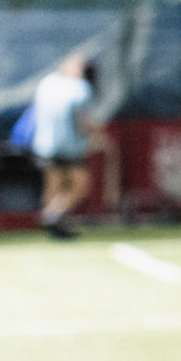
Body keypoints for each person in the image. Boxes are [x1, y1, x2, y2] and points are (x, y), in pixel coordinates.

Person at [30, 53, 106, 240]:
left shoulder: (47, 83)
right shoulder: (79, 89)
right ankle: (53, 216)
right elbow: (81, 120)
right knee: (79, 186)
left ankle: (58, 226)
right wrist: (96, 133)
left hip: (44, 145)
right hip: (69, 146)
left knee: (54, 187)